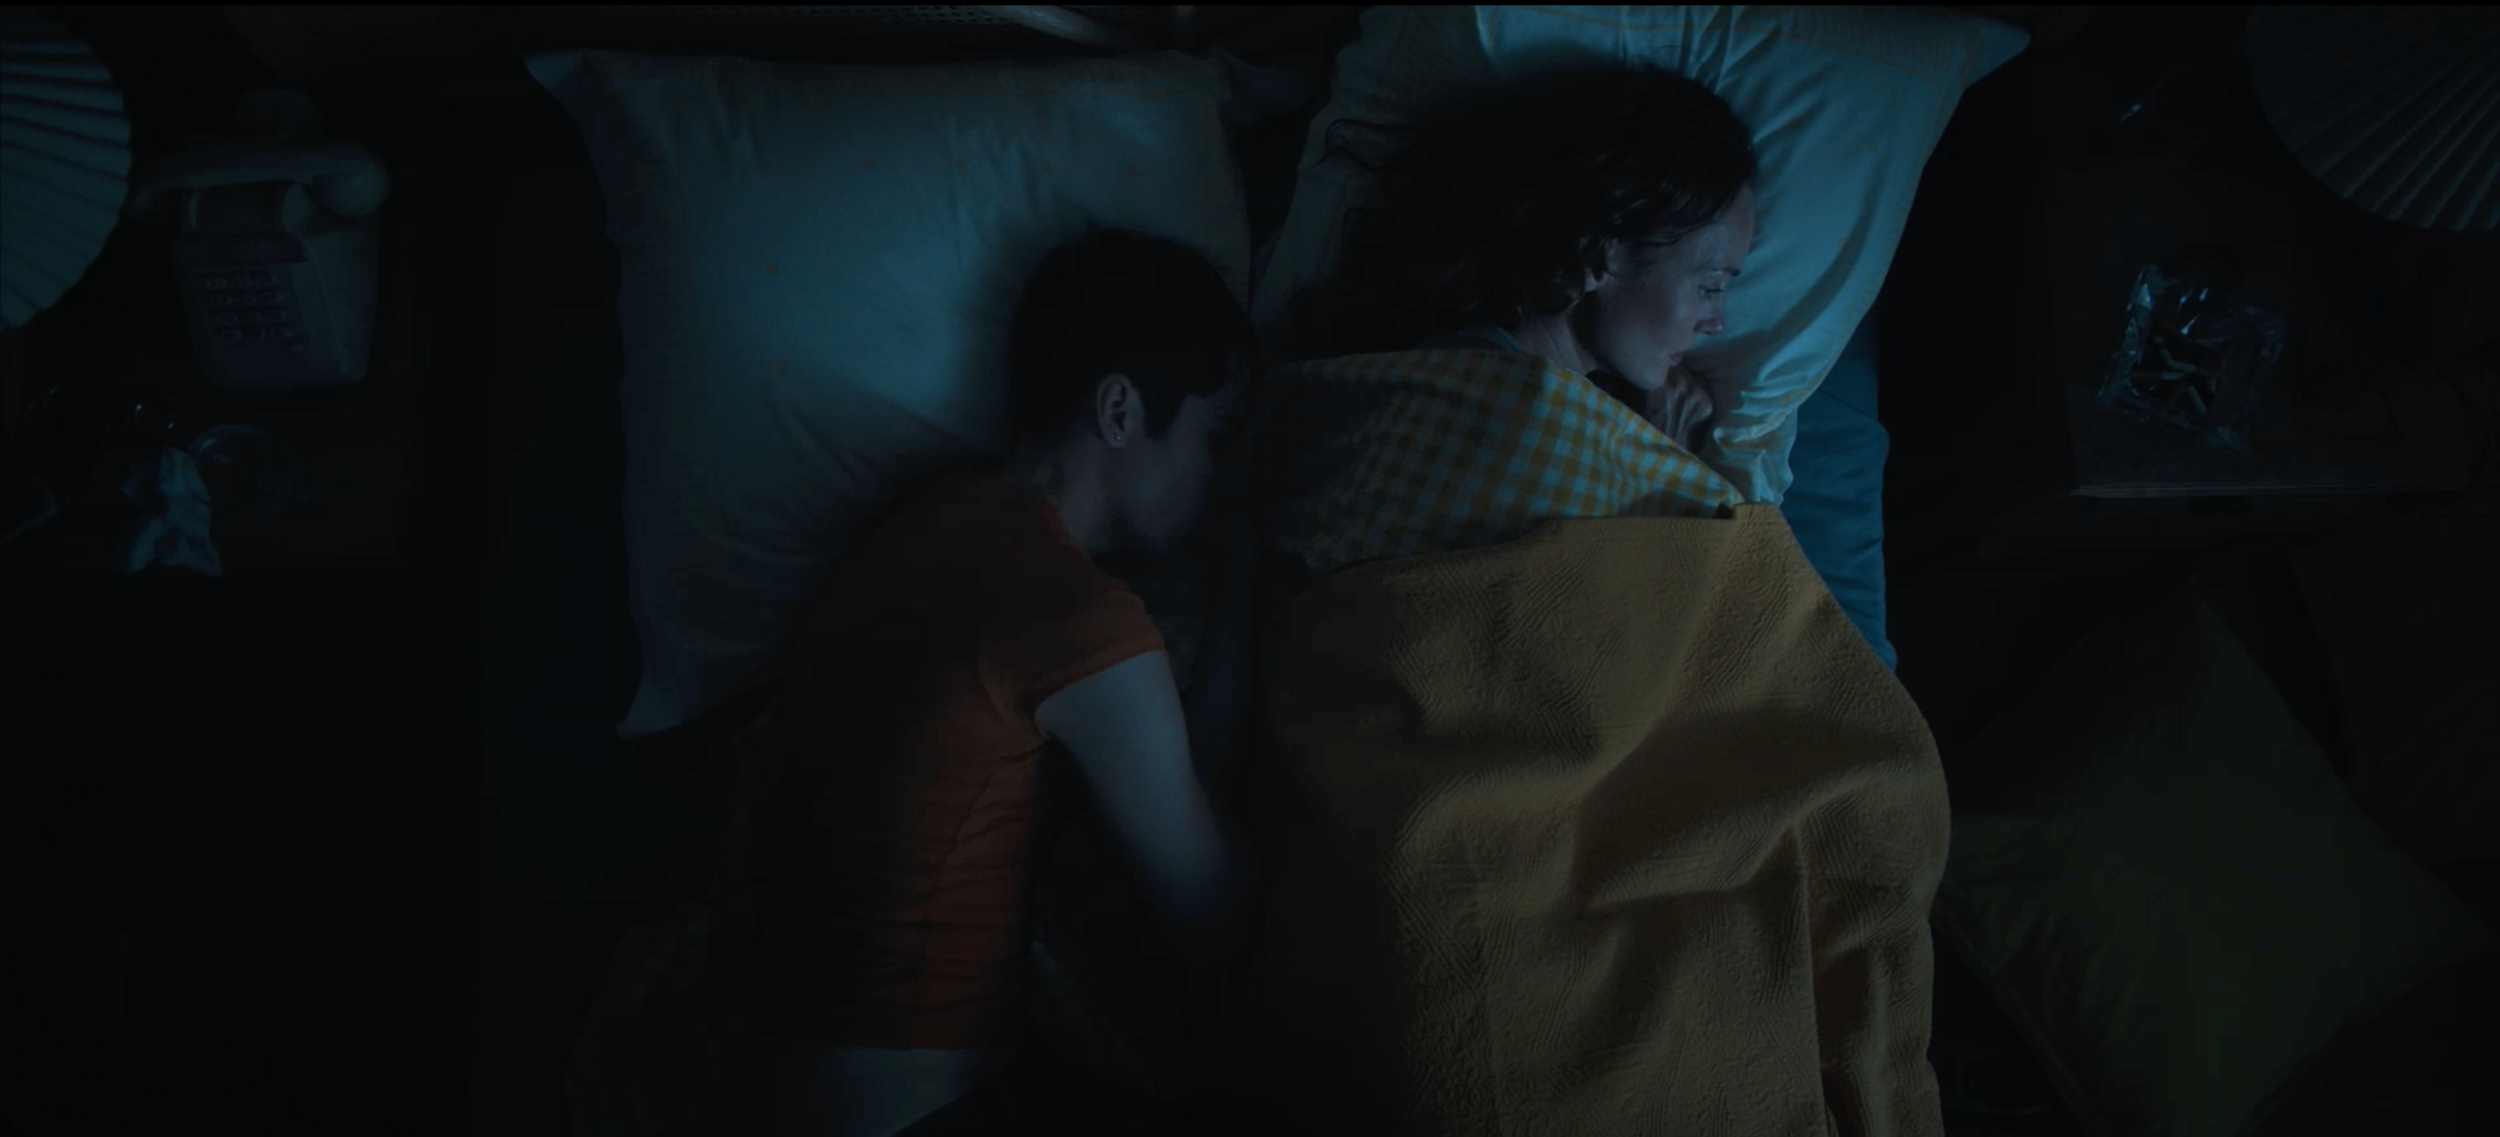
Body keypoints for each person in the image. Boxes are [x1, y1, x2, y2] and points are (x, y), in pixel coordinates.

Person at [746, 228, 1266, 1137]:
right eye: (1211, 439)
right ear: (1119, 409)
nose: (1217, 483)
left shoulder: (921, 522)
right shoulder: (1070, 613)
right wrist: (1248, 585)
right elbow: (1216, 915)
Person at [1284, 67, 1760, 452]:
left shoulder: (1498, 379)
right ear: (1599, 255)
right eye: (1709, 286)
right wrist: (1662, 458)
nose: (1716, 323)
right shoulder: (1491, 399)